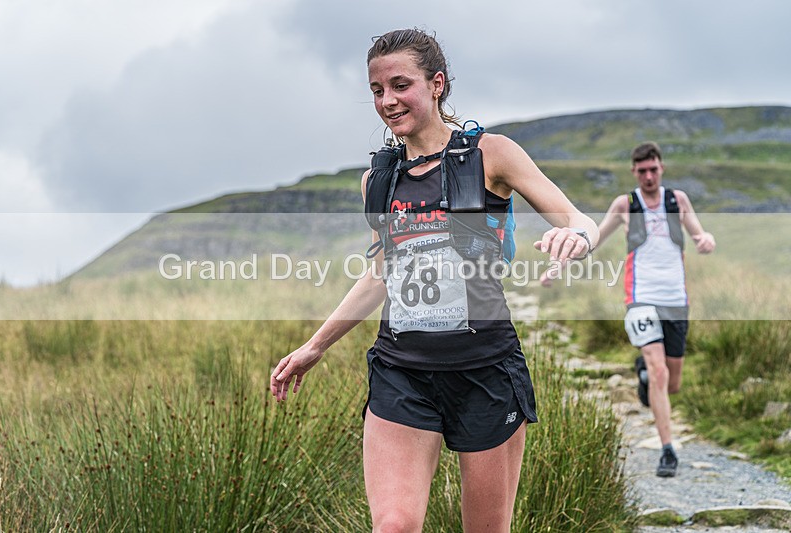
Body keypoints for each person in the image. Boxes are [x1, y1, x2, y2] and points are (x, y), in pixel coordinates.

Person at [270, 28, 598, 532]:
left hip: (485, 370)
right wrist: (316, 346)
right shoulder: (377, 179)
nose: (387, 100)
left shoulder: (492, 154)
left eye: (400, 85)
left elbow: (579, 220)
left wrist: (577, 238)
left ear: (437, 83)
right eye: (377, 90)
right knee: (394, 526)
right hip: (401, 372)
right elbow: (382, 273)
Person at [558, 141, 715, 477]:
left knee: (671, 382)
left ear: (661, 168)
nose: (648, 176)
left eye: (653, 169)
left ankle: (642, 373)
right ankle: (668, 450)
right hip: (640, 297)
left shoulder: (678, 200)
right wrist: (566, 256)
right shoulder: (625, 204)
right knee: (660, 373)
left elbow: (700, 235)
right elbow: (593, 239)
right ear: (634, 171)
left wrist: (706, 240)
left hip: (676, 300)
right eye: (642, 171)